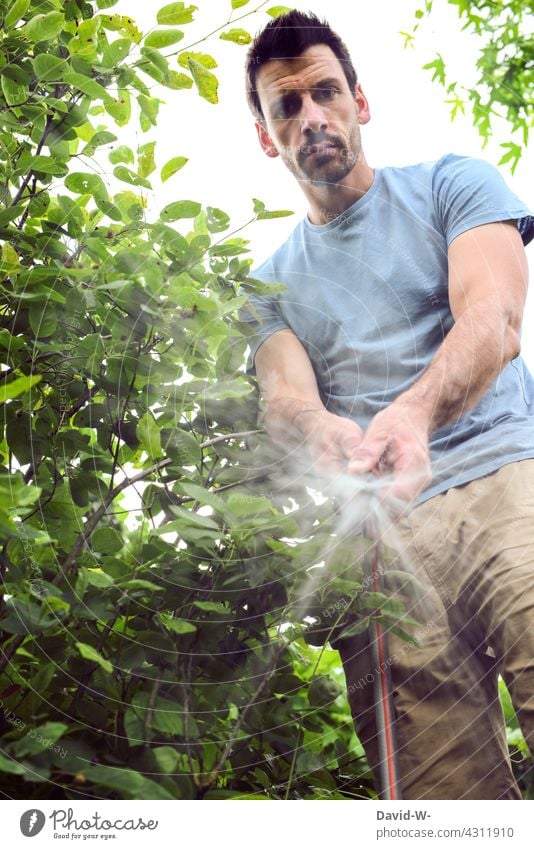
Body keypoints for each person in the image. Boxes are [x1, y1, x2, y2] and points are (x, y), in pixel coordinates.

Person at [240, 10, 534, 800]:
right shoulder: (266, 288)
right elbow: (284, 400)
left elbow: (496, 317)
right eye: (287, 108)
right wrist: (318, 427)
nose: (312, 118)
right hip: (385, 549)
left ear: (360, 102)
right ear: (268, 138)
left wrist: (410, 414)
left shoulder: (454, 184)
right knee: (446, 809)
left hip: (510, 482)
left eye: (325, 93)